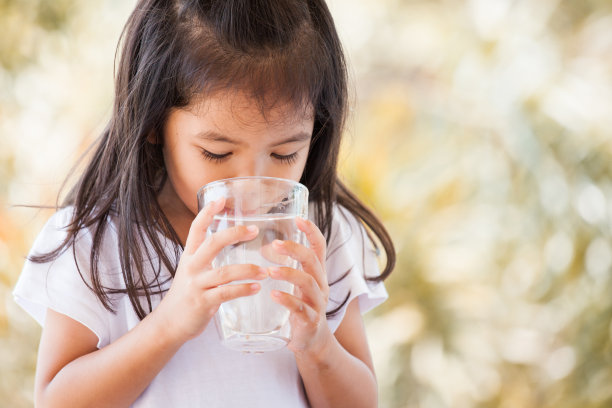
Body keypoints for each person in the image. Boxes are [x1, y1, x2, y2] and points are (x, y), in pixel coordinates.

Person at [13, 0, 396, 406]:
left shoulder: (320, 237)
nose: (252, 189)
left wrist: (318, 346)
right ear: (153, 122)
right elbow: (56, 400)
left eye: (285, 154)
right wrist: (170, 324)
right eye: (217, 153)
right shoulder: (96, 242)